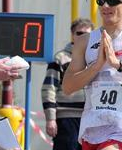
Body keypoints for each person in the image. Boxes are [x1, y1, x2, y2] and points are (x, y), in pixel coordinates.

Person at [62, 0, 122, 150]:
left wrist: (117, 64)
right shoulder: (85, 41)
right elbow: (67, 88)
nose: (106, 6)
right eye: (101, 1)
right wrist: (95, 67)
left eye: (113, 0)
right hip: (93, 128)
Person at [41, 18, 94, 150]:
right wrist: (50, 119)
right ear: (72, 34)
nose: (83, 37)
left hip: (91, 119)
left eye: (87, 34)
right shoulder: (60, 58)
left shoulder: (96, 58)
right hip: (66, 119)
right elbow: (49, 88)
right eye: (79, 33)